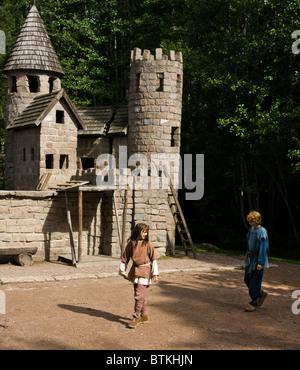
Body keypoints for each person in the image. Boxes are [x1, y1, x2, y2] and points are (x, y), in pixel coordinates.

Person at [119, 223, 159, 328]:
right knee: (141, 296)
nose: (145, 234)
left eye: (146, 232)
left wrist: (155, 273)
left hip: (145, 271)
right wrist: (122, 271)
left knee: (138, 296)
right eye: (143, 231)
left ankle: (136, 317)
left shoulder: (148, 244)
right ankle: (144, 316)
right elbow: (125, 257)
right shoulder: (131, 244)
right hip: (135, 270)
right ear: (138, 232)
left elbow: (153, 259)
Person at [244, 210, 269, 312]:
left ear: (257, 220)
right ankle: (261, 294)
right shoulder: (251, 229)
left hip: (258, 260)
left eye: (252, 221)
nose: (250, 223)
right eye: (249, 221)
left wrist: (261, 262)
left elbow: (263, 248)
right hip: (250, 259)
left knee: (254, 282)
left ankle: (254, 302)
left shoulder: (262, 231)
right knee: (247, 279)